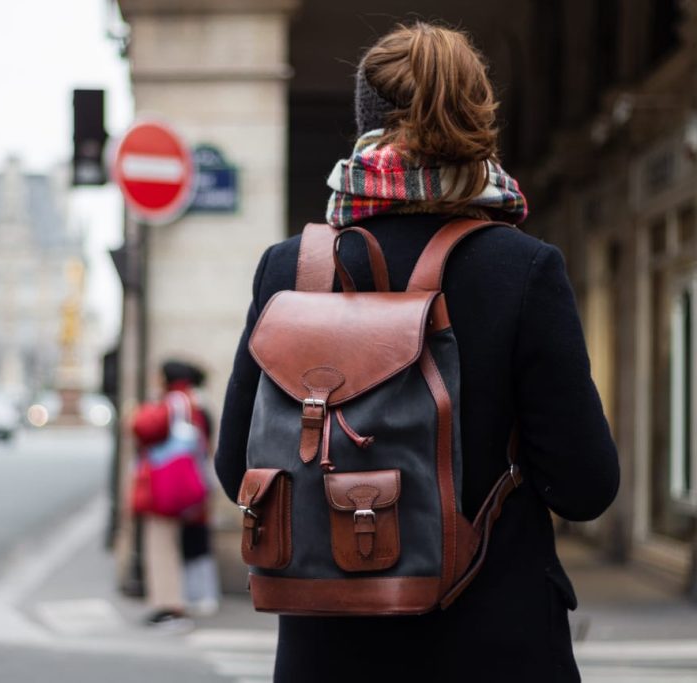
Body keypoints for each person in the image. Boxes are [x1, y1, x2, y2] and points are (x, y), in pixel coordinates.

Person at [214, 22, 619, 683]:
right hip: (495, 646)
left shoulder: (290, 269)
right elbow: (586, 485)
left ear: (363, 120)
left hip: (327, 651)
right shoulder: (524, 269)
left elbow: (239, 469)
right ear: (476, 118)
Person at [132, 360, 218, 630]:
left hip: (165, 487)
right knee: (180, 543)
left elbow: (142, 427)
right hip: (189, 484)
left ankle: (169, 606)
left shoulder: (173, 402)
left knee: (161, 544)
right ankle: (179, 602)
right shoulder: (194, 403)